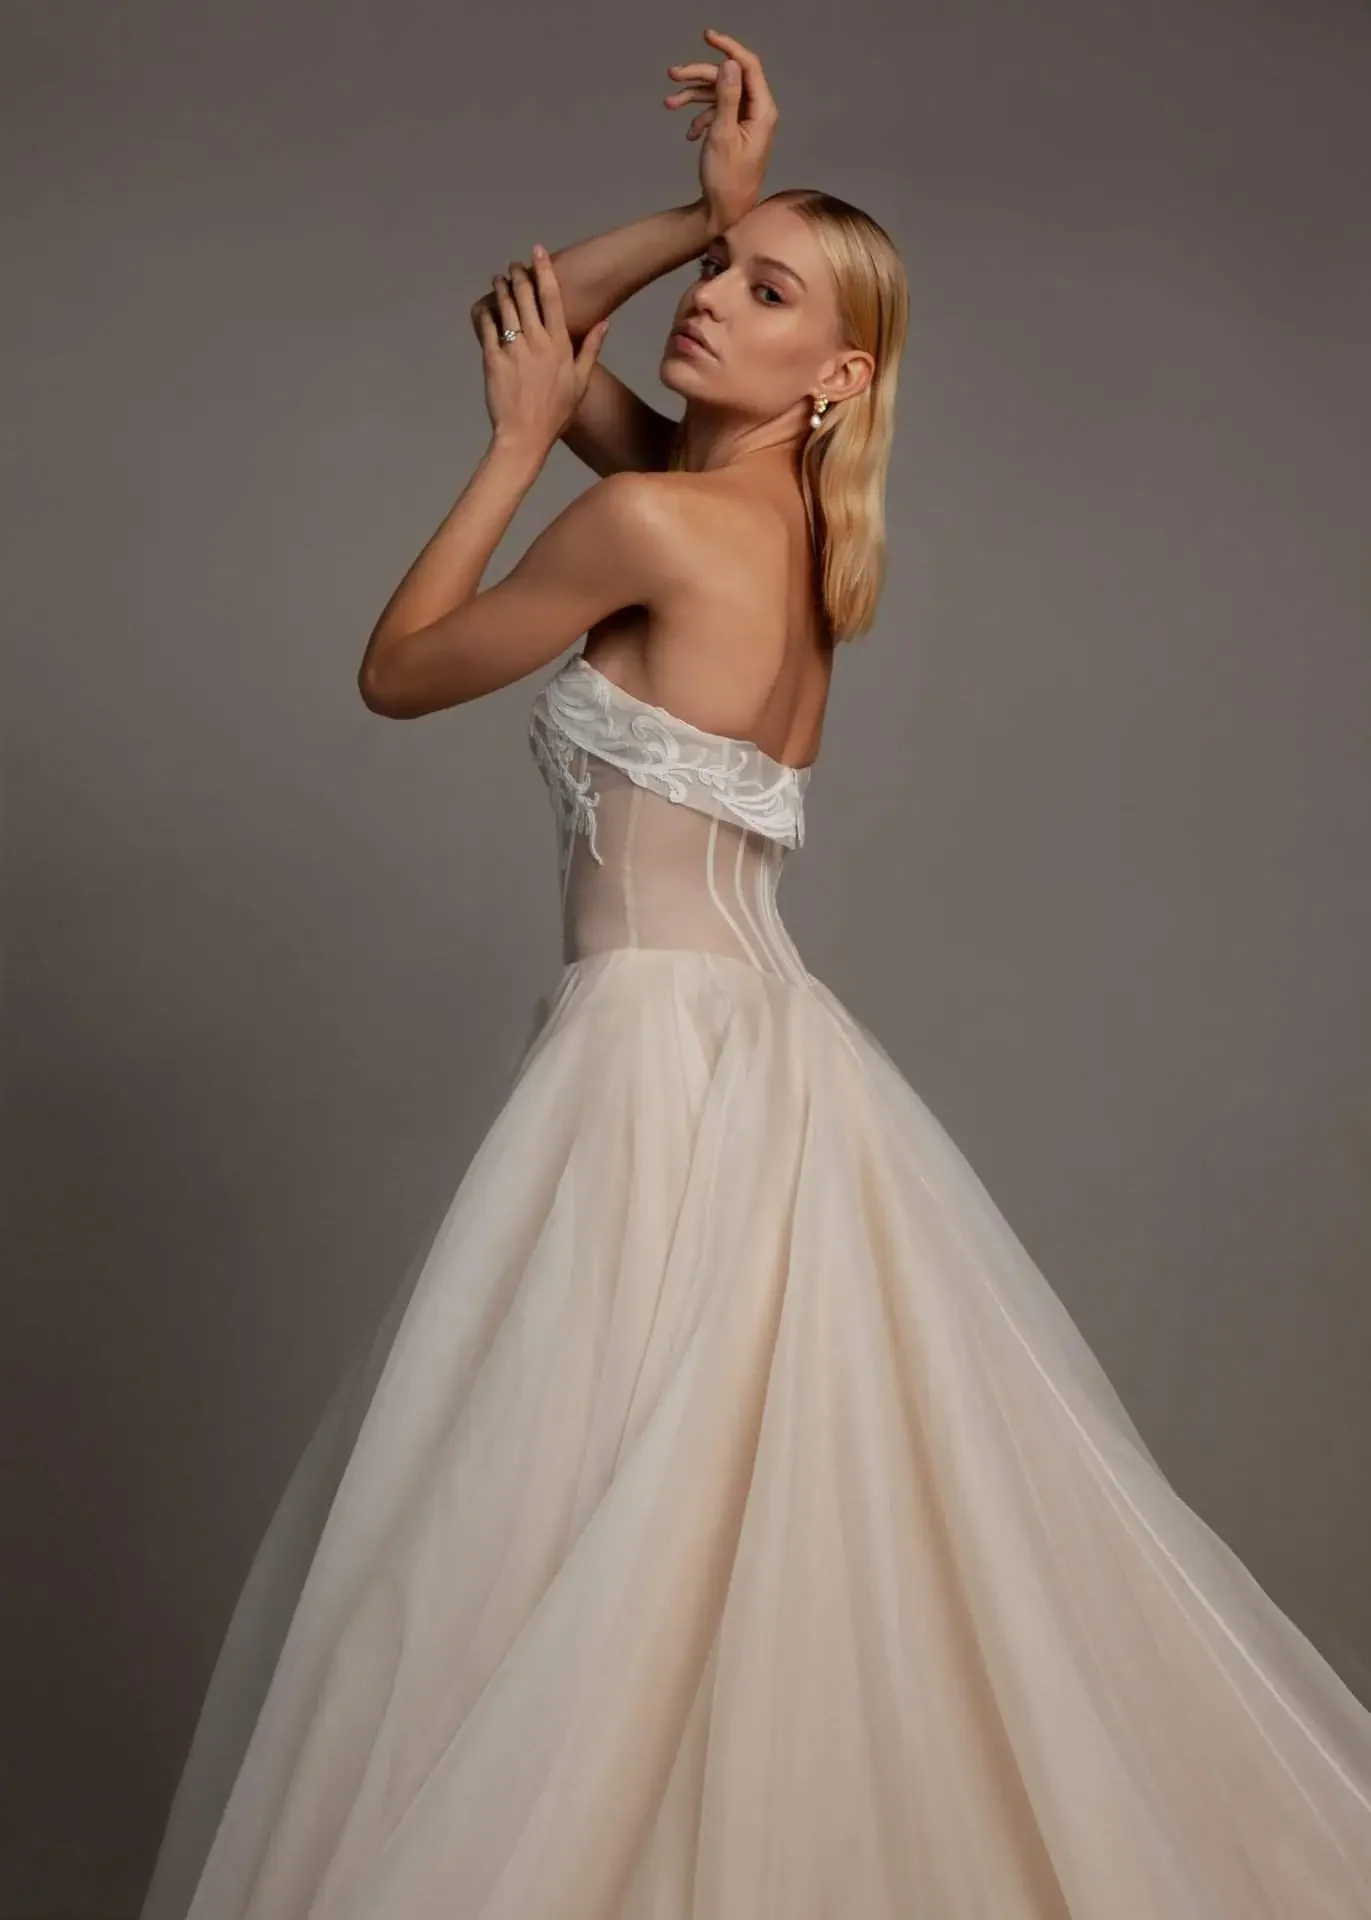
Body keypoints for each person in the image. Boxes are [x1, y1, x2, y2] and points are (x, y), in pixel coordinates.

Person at [138, 29, 1371, 1920]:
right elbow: (568, 335)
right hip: (767, 1058)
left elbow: (401, 665)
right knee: (696, 1542)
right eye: (717, 282)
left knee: (550, 1539)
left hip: (644, 1071)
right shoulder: (785, 541)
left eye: (762, 294)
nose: (708, 305)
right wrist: (710, 211)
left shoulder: (653, 522)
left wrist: (500, 443)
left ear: (842, 373)